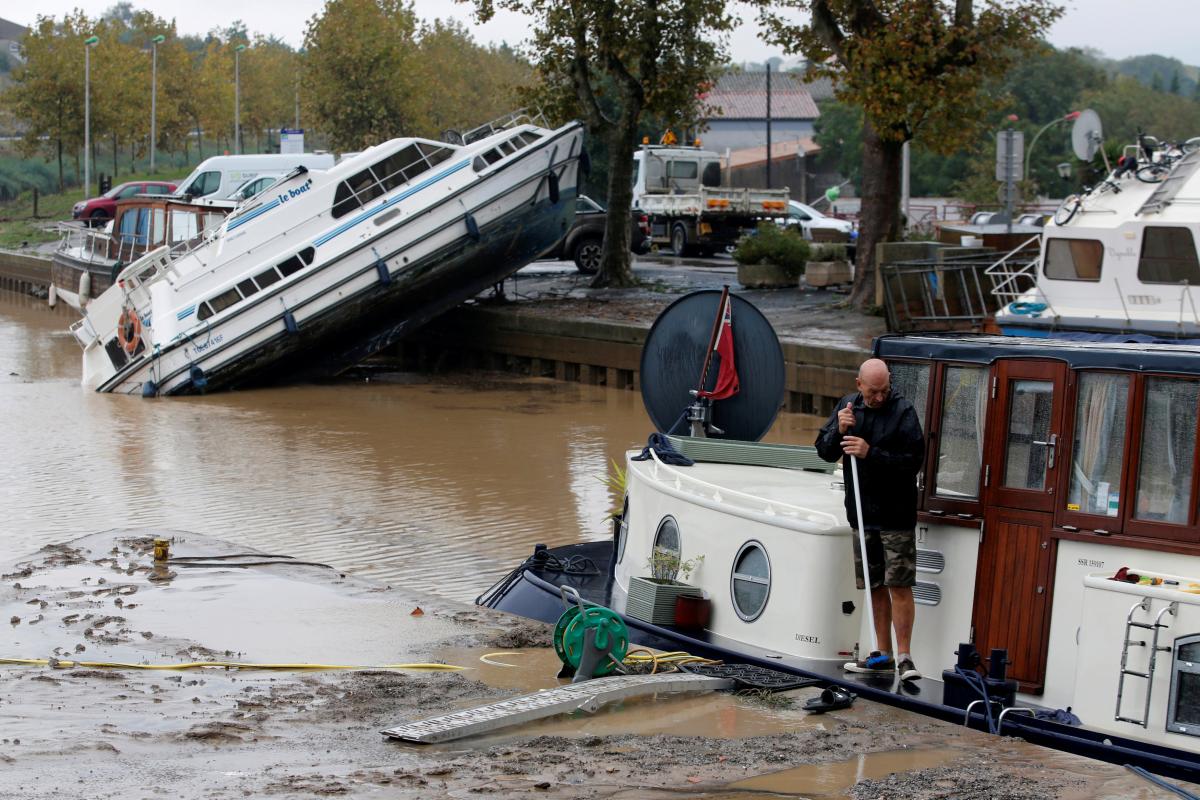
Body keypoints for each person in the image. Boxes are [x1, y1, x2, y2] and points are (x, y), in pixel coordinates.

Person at [815, 358, 925, 681]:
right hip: (862, 515)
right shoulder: (847, 407)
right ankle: (883, 653)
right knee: (874, 584)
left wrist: (870, 452)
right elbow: (823, 451)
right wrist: (839, 428)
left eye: (884, 389)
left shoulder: (903, 412)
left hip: (896, 515)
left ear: (889, 382)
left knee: (899, 584)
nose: (879, 397)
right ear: (859, 385)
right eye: (873, 391)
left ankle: (905, 657)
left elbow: (913, 462)